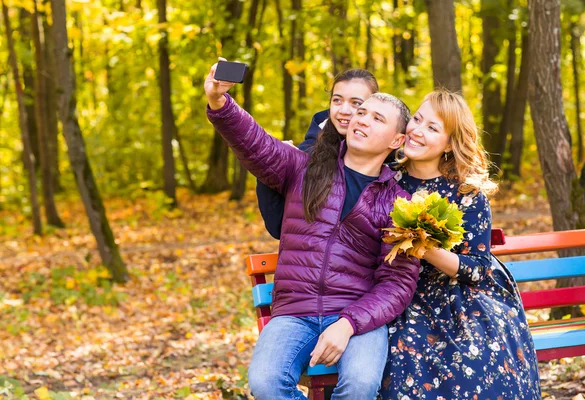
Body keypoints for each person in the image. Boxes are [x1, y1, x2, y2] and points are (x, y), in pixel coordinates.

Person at [205, 60, 420, 400]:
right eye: (362, 112)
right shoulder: (302, 167)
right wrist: (220, 102)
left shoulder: (400, 204)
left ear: (397, 139)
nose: (362, 118)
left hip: (357, 315)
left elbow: (397, 283)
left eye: (377, 118)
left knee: (360, 386)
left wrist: (348, 324)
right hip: (295, 312)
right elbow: (255, 142)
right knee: (266, 383)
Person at [379, 90, 542, 399]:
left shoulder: (467, 194)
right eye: (416, 119)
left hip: (459, 297)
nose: (417, 130)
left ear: (450, 143)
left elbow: (479, 269)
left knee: (476, 359)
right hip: (400, 293)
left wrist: (425, 247)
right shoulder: (386, 181)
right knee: (402, 357)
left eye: (432, 128)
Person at [256, 69, 377, 240]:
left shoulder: (387, 159)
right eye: (337, 100)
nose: (344, 110)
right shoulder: (307, 155)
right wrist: (270, 168)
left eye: (356, 103)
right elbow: (278, 227)